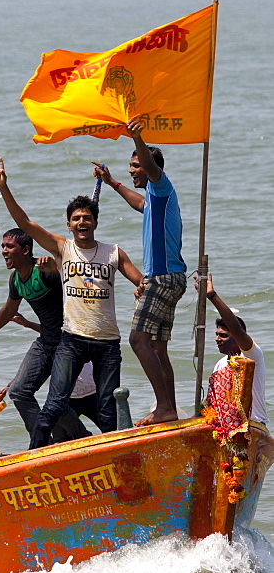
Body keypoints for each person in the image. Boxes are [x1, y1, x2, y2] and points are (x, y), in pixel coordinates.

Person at [0, 157, 142, 449]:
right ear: (69, 224)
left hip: (107, 342)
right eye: (76, 219)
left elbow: (140, 280)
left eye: (87, 218)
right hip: (71, 340)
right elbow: (25, 223)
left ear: (95, 222)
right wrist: (3, 188)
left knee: (109, 413)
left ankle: (115, 459)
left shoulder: (113, 252)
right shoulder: (62, 248)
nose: (82, 222)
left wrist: (141, 288)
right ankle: (35, 455)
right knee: (55, 404)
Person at [93, 118, 186, 425]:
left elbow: (149, 163)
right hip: (170, 277)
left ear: (150, 168)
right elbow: (138, 204)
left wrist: (138, 140)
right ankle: (169, 409)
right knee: (158, 348)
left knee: (137, 340)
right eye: (131, 166)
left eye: (135, 166)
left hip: (163, 277)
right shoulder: (154, 201)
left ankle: (164, 407)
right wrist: (112, 182)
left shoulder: (162, 185)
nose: (133, 169)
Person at [0, 228, 84, 441]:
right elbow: (8, 310)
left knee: (56, 403)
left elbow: (75, 282)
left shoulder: (43, 271)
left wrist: (56, 269)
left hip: (67, 343)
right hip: (45, 343)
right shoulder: (15, 280)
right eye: (3, 247)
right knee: (18, 392)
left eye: (10, 246)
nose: (4, 251)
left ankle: (83, 436)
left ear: (26, 250)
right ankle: (41, 442)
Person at [11, 314, 101, 436]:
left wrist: (29, 324)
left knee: (115, 431)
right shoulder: (48, 346)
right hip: (66, 399)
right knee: (60, 440)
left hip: (91, 391)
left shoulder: (77, 328)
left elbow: (59, 333)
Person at [197, 272, 267, 424]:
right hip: (226, 428)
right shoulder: (220, 364)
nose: (217, 339)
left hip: (254, 426)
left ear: (236, 336)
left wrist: (212, 297)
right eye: (216, 334)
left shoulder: (252, 357)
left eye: (223, 335)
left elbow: (236, 329)